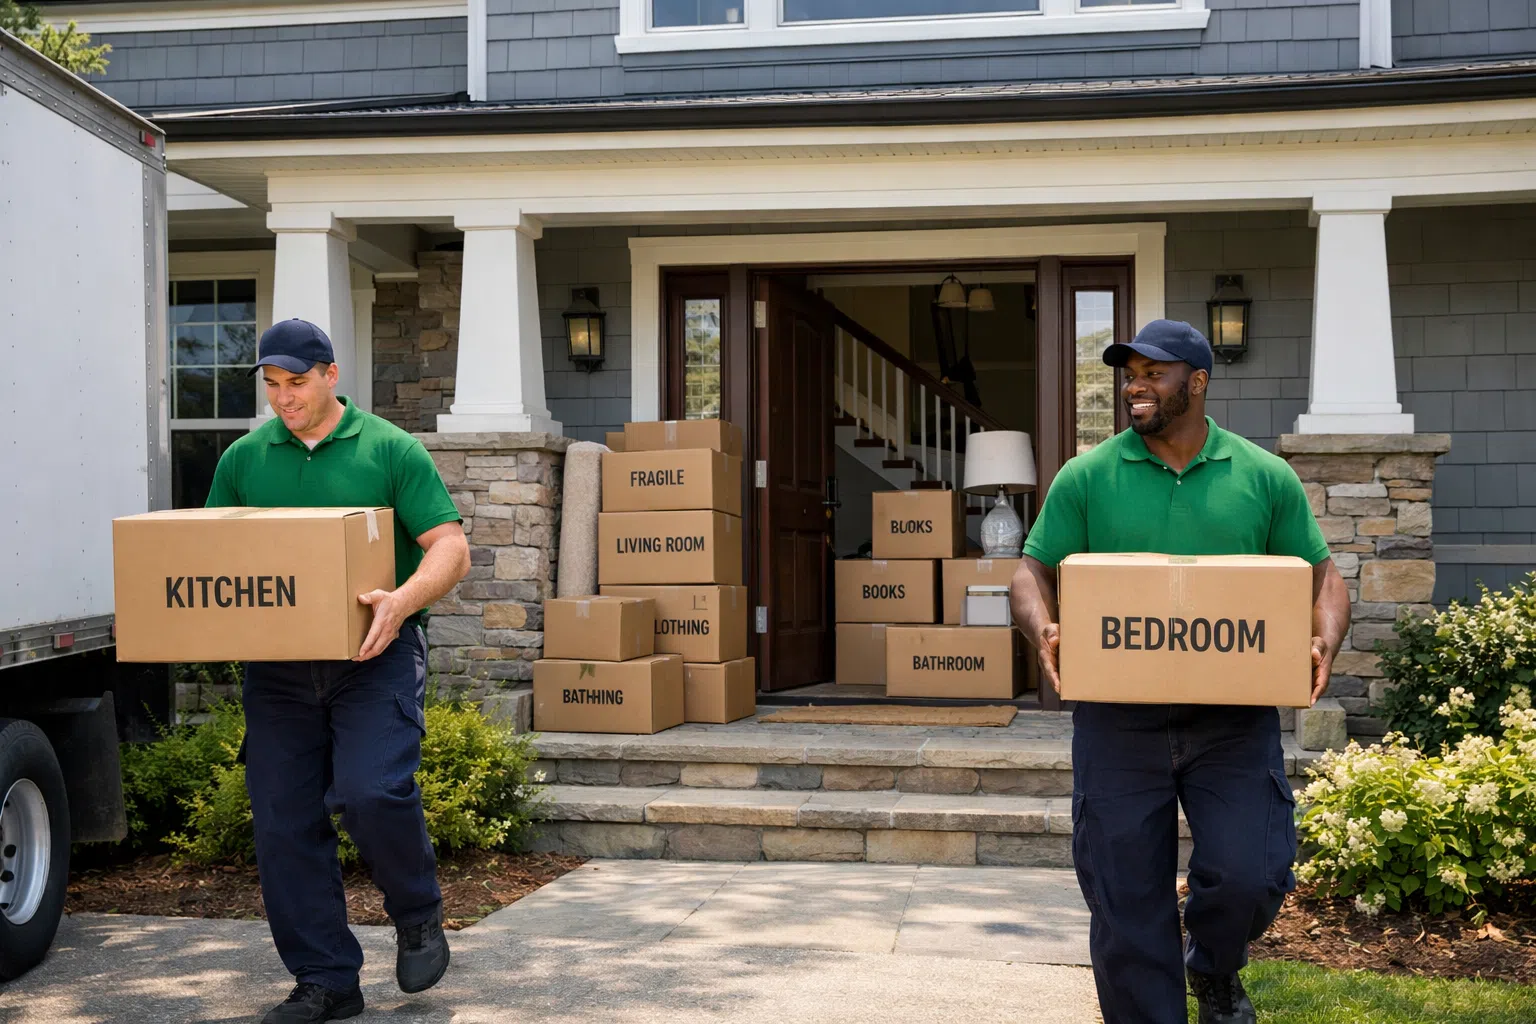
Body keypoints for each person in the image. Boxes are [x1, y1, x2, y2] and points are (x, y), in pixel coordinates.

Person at [1009, 320, 1351, 1024]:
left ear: (1197, 382)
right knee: (1125, 896)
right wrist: (1042, 624)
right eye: (1129, 371)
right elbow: (1030, 569)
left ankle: (1216, 968)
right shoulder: (1089, 475)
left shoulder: (1262, 476)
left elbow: (1324, 578)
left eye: (1154, 371)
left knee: (1251, 875)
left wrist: (1324, 639)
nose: (1136, 383)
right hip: (1118, 725)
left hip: (1232, 721)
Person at [206, 318, 470, 1024]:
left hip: (373, 657)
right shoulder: (243, 460)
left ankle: (416, 911)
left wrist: (402, 599)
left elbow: (450, 547)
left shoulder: (390, 449)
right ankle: (326, 980)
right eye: (271, 386)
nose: (283, 399)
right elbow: (210, 560)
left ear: (330, 375)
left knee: (372, 793)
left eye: (296, 383)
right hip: (281, 672)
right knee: (284, 823)